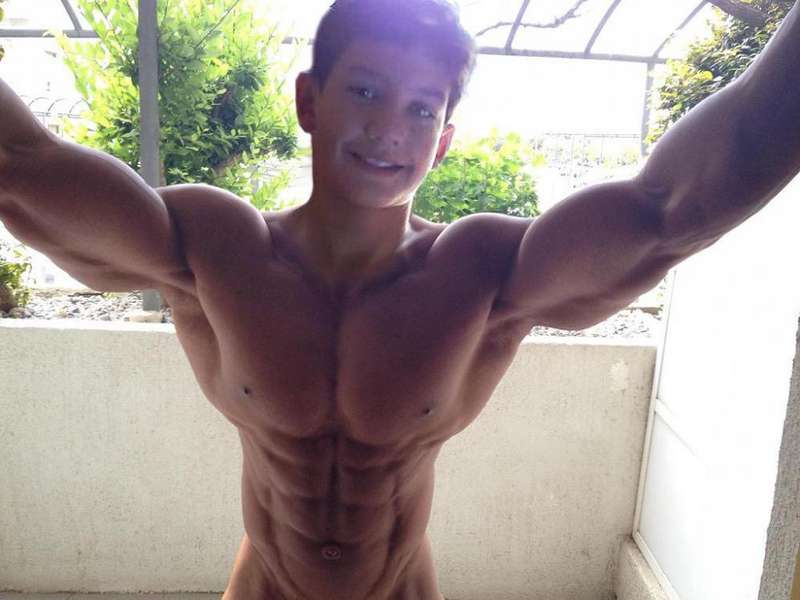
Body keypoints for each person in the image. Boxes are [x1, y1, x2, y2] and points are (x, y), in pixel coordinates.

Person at [1, 0, 798, 597]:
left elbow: (671, 212)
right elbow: (22, 167)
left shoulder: (480, 272)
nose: (391, 128)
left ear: (443, 139)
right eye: (366, 91)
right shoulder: (217, 250)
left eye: (422, 108)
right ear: (310, 101)